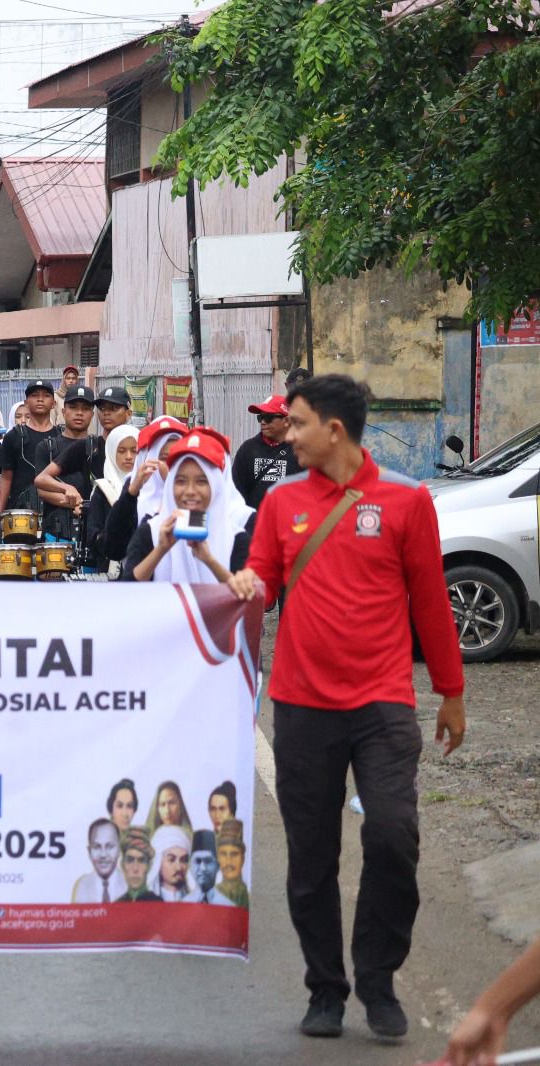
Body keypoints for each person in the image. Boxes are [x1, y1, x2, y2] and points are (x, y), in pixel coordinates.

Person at [227, 373, 466, 1041]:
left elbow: (429, 603)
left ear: (333, 429)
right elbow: (265, 578)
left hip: (383, 704)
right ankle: (325, 988)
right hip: (301, 706)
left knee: (393, 835)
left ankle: (379, 977)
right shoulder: (280, 503)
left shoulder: (407, 502)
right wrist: (247, 584)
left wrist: (452, 691)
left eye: (296, 423)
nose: (287, 434)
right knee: (312, 857)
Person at [121, 431, 254, 584]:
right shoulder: (151, 531)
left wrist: (209, 560)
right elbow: (129, 589)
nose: (190, 491)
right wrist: (160, 550)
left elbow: (246, 596)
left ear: (216, 486)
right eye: (181, 481)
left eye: (201, 481)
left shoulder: (236, 538)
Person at [102, 415, 188, 565]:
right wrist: (131, 492)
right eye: (164, 458)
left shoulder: (196, 492)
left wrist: (174, 490)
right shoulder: (135, 489)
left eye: (178, 458)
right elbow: (114, 549)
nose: (171, 465)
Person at [32, 384, 96, 546]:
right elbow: (42, 490)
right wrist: (72, 498)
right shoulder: (48, 447)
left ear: (93, 414)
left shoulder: (98, 446)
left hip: (93, 533)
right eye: (73, 407)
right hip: (56, 531)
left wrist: (85, 507)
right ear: (63, 411)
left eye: (86, 408)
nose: (79, 413)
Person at [0, 378, 58, 512]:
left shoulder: (61, 436)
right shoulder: (13, 436)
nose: (40, 399)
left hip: (56, 514)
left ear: (54, 403)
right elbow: (5, 479)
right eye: (34, 395)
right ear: (26, 403)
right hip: (20, 515)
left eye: (46, 395)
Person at [86, 425, 138, 577]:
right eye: (121, 451)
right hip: (110, 570)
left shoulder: (149, 488)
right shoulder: (103, 490)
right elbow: (93, 535)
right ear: (111, 452)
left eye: (134, 451)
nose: (128, 456)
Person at [233, 395, 297, 509]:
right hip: (254, 523)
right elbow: (236, 492)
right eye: (260, 417)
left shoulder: (299, 452)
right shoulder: (247, 450)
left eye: (268, 418)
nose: (263, 422)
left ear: (286, 420)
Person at [71, 818, 124, 903]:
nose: (103, 854)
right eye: (97, 847)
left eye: (110, 846)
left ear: (120, 850)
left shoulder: (130, 885)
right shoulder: (81, 886)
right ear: (89, 851)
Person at [148, 825, 193, 902]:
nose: (178, 867)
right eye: (171, 860)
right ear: (158, 862)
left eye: (183, 860)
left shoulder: (196, 901)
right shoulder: (146, 902)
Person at [116, 827, 161, 902]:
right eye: (130, 860)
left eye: (141, 861)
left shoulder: (159, 904)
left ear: (149, 866)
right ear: (122, 865)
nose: (135, 869)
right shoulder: (116, 906)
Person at [214, 818, 250, 909]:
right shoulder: (210, 898)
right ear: (218, 858)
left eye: (234, 854)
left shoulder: (251, 899)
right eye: (223, 854)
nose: (228, 861)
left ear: (243, 858)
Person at [187, 829, 222, 903]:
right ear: (189, 866)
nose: (203, 868)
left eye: (208, 861)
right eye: (197, 861)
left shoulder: (227, 905)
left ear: (217, 866)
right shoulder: (183, 905)